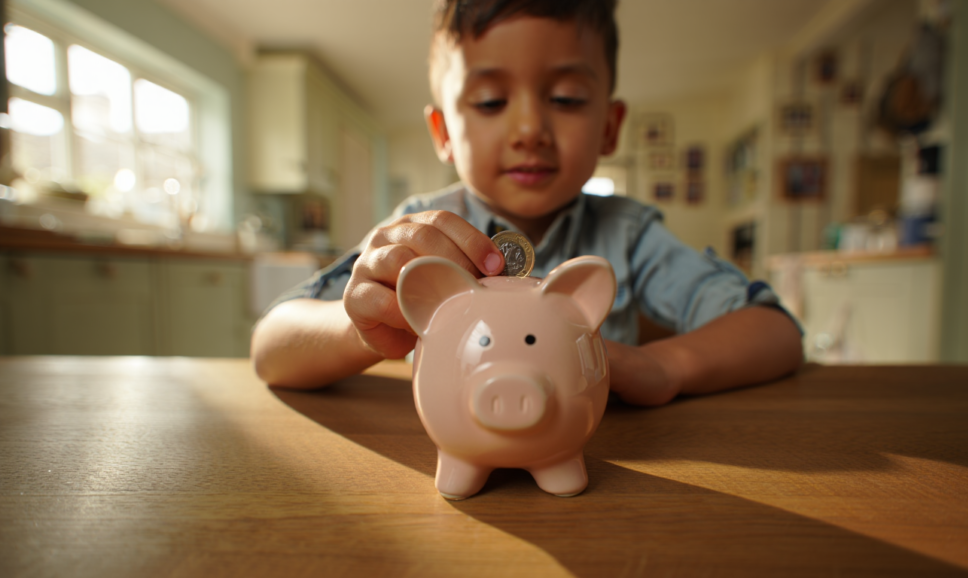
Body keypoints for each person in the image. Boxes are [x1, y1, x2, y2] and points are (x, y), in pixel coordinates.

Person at [251, 0, 803, 406]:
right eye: (491, 101)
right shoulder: (416, 234)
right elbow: (271, 347)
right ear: (443, 133)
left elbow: (775, 331)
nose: (530, 128)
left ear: (609, 127)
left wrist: (666, 365)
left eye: (565, 98)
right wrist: (362, 328)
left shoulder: (628, 234)